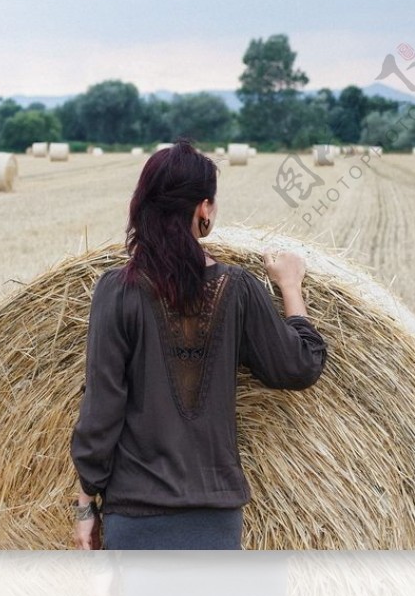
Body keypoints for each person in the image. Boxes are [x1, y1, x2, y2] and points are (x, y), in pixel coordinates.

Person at [70, 138, 328, 550]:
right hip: (214, 517)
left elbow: (100, 409)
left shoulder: (117, 292)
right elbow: (298, 366)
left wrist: (86, 505)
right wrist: (291, 287)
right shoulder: (238, 288)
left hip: (135, 513)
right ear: (204, 208)